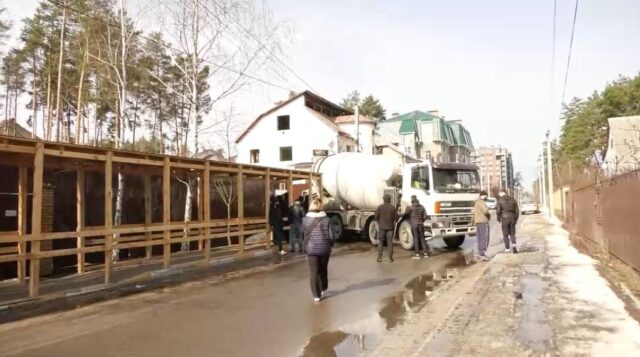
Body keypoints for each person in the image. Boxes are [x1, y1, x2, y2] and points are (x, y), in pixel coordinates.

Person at [303, 199, 333, 302]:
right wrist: (330, 245)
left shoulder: (306, 219)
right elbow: (331, 236)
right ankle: (324, 288)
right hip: (325, 248)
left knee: (313, 272)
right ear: (321, 207)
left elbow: (305, 233)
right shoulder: (327, 219)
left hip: (311, 249)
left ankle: (316, 295)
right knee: (323, 269)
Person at [375, 194, 397, 263]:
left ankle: (379, 258)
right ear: (389, 199)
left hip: (382, 227)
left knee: (381, 242)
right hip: (390, 227)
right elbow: (396, 218)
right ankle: (390, 258)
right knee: (390, 242)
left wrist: (379, 222)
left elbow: (376, 216)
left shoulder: (380, 207)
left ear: (383, 199)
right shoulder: (393, 208)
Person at [497, 189, 519, 253]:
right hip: (512, 218)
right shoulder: (513, 199)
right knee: (512, 233)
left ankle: (507, 248)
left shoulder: (500, 200)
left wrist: (498, 219)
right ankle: (514, 246)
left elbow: (498, 211)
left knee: (505, 234)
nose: (499, 195)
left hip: (504, 218)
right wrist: (516, 219)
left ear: (502, 193)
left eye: (499, 193)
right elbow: (517, 211)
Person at [473, 190, 491, 261]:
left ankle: (480, 252)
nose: (486, 197)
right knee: (484, 237)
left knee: (479, 238)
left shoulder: (476, 202)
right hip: (483, 221)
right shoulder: (481, 202)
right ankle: (483, 254)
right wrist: (488, 215)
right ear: (482, 195)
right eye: (485, 196)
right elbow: (485, 211)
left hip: (477, 222)